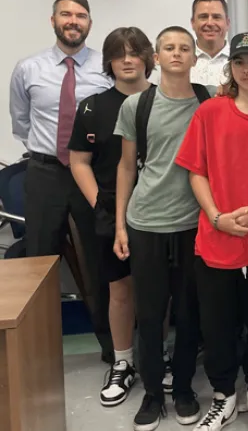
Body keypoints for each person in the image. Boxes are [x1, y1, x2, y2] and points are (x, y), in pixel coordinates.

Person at [175, 31, 248, 431]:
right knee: (216, 325)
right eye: (240, 62)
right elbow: (196, 170)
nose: (247, 69)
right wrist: (218, 216)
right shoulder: (210, 112)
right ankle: (224, 394)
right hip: (216, 236)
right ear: (230, 67)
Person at [114, 26, 217, 431]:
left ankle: (185, 389)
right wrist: (121, 225)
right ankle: (154, 393)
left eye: (184, 48)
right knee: (151, 313)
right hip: (146, 223)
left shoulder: (209, 103)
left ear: (195, 58)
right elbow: (125, 167)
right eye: (168, 48)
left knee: (190, 313)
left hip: (194, 224)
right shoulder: (137, 105)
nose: (177, 53)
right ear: (156, 57)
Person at [9, 0, 114, 363]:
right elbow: (21, 122)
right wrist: (52, 154)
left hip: (92, 175)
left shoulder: (107, 67)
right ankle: (38, 348)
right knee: (38, 262)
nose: (74, 20)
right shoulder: (29, 68)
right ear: (53, 21)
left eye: (81, 15)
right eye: (66, 14)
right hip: (44, 173)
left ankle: (112, 348)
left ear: (89, 22)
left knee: (99, 259)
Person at [68, 27, 153, 408]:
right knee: (120, 289)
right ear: (109, 62)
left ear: (148, 57)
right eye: (119, 54)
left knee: (162, 290)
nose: (128, 60)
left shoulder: (171, 99)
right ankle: (123, 362)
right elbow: (78, 161)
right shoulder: (92, 107)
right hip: (110, 211)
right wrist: (100, 203)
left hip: (163, 213)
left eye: (135, 52)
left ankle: (159, 357)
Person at [151, 0, 231, 85]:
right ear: (193, 23)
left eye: (216, 17)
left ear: (228, 23)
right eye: (203, 17)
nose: (210, 23)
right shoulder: (177, 61)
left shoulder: (240, 61)